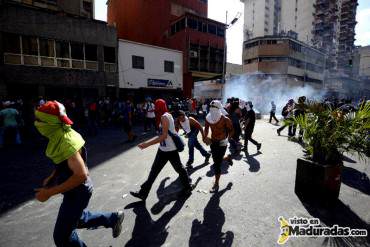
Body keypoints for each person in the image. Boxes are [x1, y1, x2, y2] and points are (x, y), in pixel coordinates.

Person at [33, 101, 124, 247]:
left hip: (78, 192)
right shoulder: (62, 133)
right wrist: (53, 176)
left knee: (62, 237)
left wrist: (49, 192)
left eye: (40, 120)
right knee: (77, 219)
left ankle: (112, 218)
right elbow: (65, 164)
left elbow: (81, 175)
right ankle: (112, 218)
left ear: (51, 123)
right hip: (76, 190)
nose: (36, 123)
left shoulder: (66, 141)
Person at [130, 99, 193, 201]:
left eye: (156, 106)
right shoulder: (167, 115)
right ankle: (143, 193)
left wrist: (147, 144)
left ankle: (187, 187)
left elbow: (163, 136)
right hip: (163, 149)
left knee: (179, 169)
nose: (155, 108)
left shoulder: (164, 117)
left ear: (159, 107)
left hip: (170, 150)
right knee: (154, 171)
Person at [203, 100, 234, 193]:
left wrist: (228, 139)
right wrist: (205, 137)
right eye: (211, 108)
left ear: (219, 108)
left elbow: (232, 130)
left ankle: (216, 183)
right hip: (213, 142)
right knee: (217, 160)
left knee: (216, 164)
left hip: (222, 142)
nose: (212, 110)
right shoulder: (208, 118)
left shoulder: (225, 119)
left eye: (215, 108)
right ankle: (227, 157)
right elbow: (206, 129)